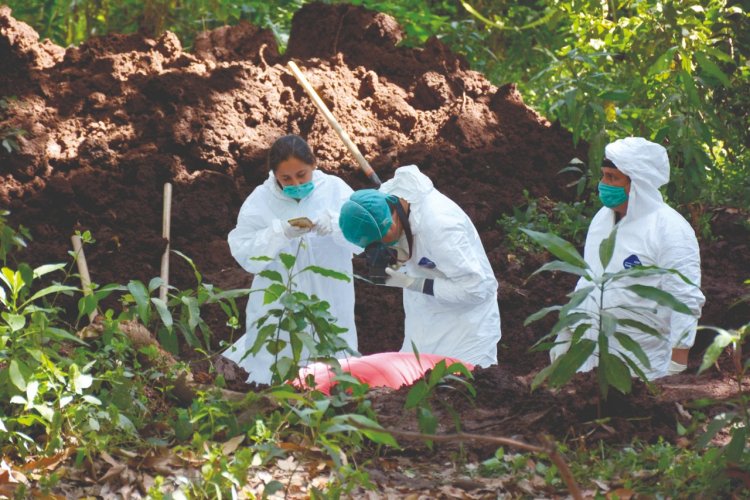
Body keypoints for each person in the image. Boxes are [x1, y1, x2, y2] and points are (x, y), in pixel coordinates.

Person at [549, 137, 706, 379]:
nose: (603, 184)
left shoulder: (670, 228)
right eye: (603, 175)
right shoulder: (602, 219)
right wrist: (568, 329)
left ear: (638, 184)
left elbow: (684, 298)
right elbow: (589, 277)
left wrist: (678, 362)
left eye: (612, 177)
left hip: (642, 362)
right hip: (591, 356)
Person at [223, 135, 359, 384]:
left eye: (302, 174)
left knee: (331, 350)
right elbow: (244, 250)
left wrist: (338, 224)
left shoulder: (335, 190)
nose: (296, 183)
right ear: (274, 174)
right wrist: (279, 232)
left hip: (330, 294)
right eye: (286, 178)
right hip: (280, 297)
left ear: (314, 165)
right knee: (277, 354)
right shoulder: (260, 201)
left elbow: (363, 238)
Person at [338, 164, 501, 367]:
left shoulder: (440, 227)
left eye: (382, 240)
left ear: (392, 219)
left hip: (467, 331)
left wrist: (413, 283)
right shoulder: (384, 202)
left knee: (459, 391)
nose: (383, 247)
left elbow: (478, 289)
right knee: (417, 387)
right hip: (424, 320)